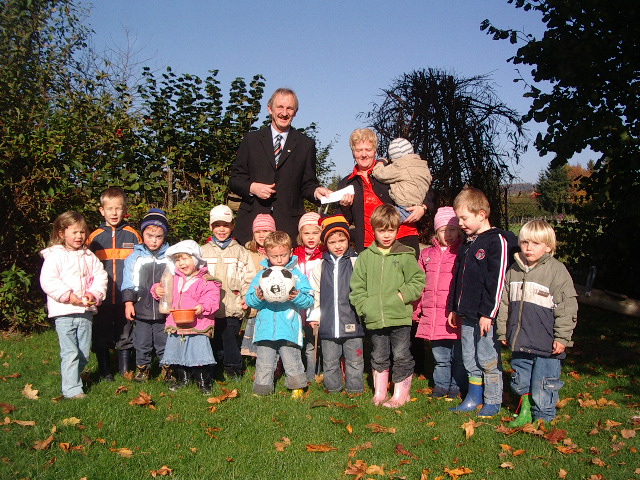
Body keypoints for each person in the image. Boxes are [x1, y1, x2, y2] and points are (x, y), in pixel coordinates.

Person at [496, 220, 578, 426]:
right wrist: (503, 331)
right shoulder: (514, 270)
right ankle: (524, 410)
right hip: (520, 339)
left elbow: (567, 307)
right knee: (521, 378)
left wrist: (562, 337)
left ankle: (544, 416)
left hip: (546, 341)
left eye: (536, 243)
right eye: (524, 242)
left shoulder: (556, 271)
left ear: (548, 246)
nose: (528, 248)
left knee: (544, 381)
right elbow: (505, 303)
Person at [447, 187, 519, 418]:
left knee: (487, 357)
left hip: (486, 316)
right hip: (466, 313)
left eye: (464, 218)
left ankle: (493, 399)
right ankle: (473, 396)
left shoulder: (497, 241)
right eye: (458, 218)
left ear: (481, 214)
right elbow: (457, 277)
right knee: (469, 356)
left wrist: (489, 313)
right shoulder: (468, 243)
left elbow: (497, 280)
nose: (460, 223)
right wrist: (453, 307)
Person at [229, 87, 332, 245]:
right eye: (280, 107)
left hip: (288, 226)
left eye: (289, 108)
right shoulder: (251, 140)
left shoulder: (306, 144)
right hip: (252, 226)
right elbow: (235, 179)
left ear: (295, 112)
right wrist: (252, 187)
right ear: (270, 109)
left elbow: (307, 183)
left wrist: (317, 191)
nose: (284, 113)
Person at [349, 204, 425, 408]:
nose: (386, 235)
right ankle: (380, 392)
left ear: (397, 230)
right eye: (381, 230)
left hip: (399, 315)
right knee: (379, 355)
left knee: (401, 354)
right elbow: (357, 287)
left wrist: (403, 296)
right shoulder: (365, 257)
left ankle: (400, 394)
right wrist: (365, 307)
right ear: (373, 229)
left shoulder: (405, 255)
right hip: (375, 317)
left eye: (390, 230)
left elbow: (417, 280)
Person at [40, 211, 108, 399]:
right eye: (74, 232)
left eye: (82, 232)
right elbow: (48, 280)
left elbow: (101, 277)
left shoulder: (89, 256)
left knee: (84, 352)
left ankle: (73, 377)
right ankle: (71, 389)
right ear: (62, 234)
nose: (79, 237)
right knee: (70, 351)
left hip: (85, 311)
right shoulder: (55, 256)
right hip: (63, 312)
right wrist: (68, 296)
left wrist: (93, 294)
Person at [338, 128, 434, 256]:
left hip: (402, 238)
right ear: (353, 152)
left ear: (375, 151)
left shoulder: (391, 170)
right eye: (359, 150)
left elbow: (424, 186)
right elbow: (347, 219)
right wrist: (345, 207)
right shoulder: (347, 183)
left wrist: (423, 207)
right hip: (369, 246)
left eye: (368, 149)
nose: (364, 154)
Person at [245, 231, 314, 398]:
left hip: (288, 327)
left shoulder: (297, 275)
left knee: (292, 360)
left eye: (283, 255)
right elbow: (250, 300)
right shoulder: (262, 276)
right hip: (265, 328)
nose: (279, 259)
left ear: (291, 252)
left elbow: (309, 300)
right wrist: (258, 297)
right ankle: (262, 390)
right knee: (264, 362)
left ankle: (297, 387)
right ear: (267, 255)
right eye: (274, 256)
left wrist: (297, 296)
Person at [88, 187, 142, 380]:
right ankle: (104, 370)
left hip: (125, 298)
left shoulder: (132, 235)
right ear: (102, 210)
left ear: (124, 209)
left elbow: (140, 265)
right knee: (101, 333)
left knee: (125, 332)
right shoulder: (93, 237)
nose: (114, 213)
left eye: (118, 208)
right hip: (101, 298)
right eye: (109, 208)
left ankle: (125, 369)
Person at [155, 240, 221, 394]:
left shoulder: (205, 280)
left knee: (199, 354)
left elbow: (212, 298)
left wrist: (202, 307)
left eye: (185, 259)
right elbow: (161, 288)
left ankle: (203, 381)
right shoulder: (173, 278)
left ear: (195, 259)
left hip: (197, 324)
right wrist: (156, 290)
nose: (181, 263)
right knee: (177, 354)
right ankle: (183, 378)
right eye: (178, 260)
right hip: (176, 323)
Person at [414, 207, 467, 399]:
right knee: (440, 357)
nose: (449, 234)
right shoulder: (427, 254)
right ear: (437, 232)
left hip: (453, 314)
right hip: (433, 314)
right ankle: (441, 385)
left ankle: (456, 385)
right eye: (444, 230)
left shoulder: (462, 251)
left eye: (452, 229)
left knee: (458, 357)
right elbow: (420, 284)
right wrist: (417, 308)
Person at [308, 215, 364, 394]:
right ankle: (333, 388)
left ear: (348, 240)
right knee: (330, 360)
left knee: (354, 359)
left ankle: (355, 389)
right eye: (332, 242)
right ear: (326, 243)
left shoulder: (357, 262)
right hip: (328, 322)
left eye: (342, 240)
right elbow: (314, 292)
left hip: (352, 320)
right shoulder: (319, 266)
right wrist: (315, 316)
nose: (338, 245)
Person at [201, 205, 255, 379]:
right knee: (213, 339)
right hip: (209, 308)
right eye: (217, 225)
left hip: (233, 305)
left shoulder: (241, 251)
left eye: (225, 225)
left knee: (230, 337)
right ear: (211, 227)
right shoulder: (203, 252)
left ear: (232, 226)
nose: (221, 229)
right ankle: (214, 367)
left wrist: (246, 297)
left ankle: (233, 368)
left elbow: (249, 278)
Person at [121, 208, 171, 382]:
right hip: (141, 308)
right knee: (142, 342)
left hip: (164, 310)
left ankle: (167, 369)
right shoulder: (135, 257)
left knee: (163, 341)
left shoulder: (170, 257)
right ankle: (143, 369)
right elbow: (128, 282)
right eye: (150, 236)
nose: (154, 241)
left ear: (164, 236)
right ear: (143, 235)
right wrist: (128, 302)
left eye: (159, 237)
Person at [292, 211, 325, 382]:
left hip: (317, 305)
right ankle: (299, 371)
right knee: (299, 341)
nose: (311, 237)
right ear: (300, 235)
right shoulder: (294, 256)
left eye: (315, 232)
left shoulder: (324, 255)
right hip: (299, 305)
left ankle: (314, 375)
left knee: (314, 341)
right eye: (306, 233)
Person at [241, 213, 277, 358]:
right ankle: (257, 359)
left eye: (266, 231)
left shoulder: (277, 252)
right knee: (256, 327)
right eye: (258, 231)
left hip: (273, 300)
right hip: (256, 298)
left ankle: (274, 360)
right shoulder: (248, 253)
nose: (262, 235)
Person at [371, 138, 432, 222]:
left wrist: (381, 162)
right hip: (417, 206)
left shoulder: (399, 166)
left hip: (405, 208)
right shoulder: (422, 165)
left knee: (382, 221)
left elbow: (379, 173)